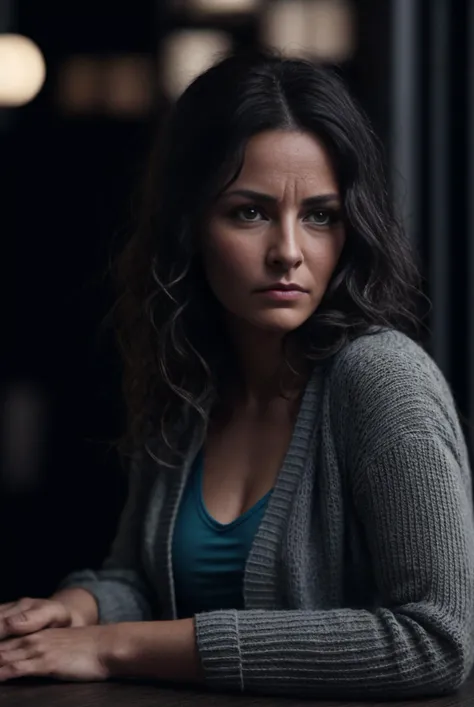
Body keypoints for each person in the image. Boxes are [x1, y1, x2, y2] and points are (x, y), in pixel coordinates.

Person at [0, 49, 473, 700]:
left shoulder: (382, 378)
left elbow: (437, 638)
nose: (288, 251)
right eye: (249, 212)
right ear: (190, 224)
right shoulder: (190, 377)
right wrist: (82, 606)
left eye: (320, 214)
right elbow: (140, 576)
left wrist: (113, 644)